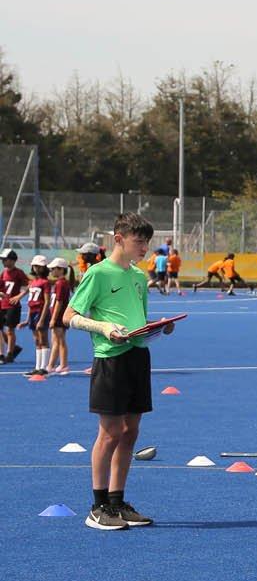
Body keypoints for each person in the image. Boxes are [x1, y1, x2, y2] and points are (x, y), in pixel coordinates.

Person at [64, 212, 173, 531]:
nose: (145, 248)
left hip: (138, 358)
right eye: (139, 241)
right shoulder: (98, 273)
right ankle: (97, 507)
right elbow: (69, 315)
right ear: (119, 239)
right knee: (109, 432)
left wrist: (156, 329)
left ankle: (116, 502)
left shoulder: (139, 278)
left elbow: (139, 319)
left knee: (130, 432)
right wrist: (103, 327)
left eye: (147, 242)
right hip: (110, 359)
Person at [0, 249, 30, 363]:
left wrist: (19, 296)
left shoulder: (19, 273)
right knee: (1, 330)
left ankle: (10, 353)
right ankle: (3, 353)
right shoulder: (3, 273)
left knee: (10, 330)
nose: (3, 262)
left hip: (13, 306)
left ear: (12, 260)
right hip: (2, 305)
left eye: (5, 259)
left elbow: (30, 285)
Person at [45, 258, 73, 375]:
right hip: (58, 316)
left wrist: (53, 318)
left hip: (59, 316)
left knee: (60, 340)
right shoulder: (60, 283)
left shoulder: (61, 283)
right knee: (55, 340)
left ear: (61, 270)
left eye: (53, 269)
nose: (51, 271)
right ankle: (51, 365)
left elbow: (59, 302)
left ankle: (64, 365)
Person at [24, 255, 51, 376]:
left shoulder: (45, 282)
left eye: (39, 266)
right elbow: (30, 302)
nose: (36, 268)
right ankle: (37, 367)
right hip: (33, 312)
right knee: (36, 340)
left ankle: (44, 367)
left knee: (43, 339)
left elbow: (47, 302)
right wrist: (26, 319)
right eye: (35, 266)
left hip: (41, 312)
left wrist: (41, 319)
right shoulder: (33, 282)